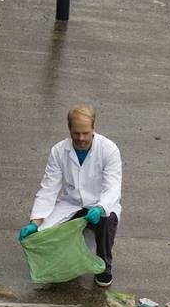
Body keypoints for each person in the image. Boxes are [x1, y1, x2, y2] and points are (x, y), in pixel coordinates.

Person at [19, 104, 122, 287]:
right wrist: (35, 221)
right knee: (46, 234)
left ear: (93, 128)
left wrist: (100, 207)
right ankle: (66, 264)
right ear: (69, 129)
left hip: (101, 205)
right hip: (72, 204)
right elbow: (49, 187)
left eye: (85, 133)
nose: (81, 138)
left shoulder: (109, 149)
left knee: (107, 221)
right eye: (76, 133)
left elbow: (113, 187)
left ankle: (104, 266)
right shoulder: (59, 151)